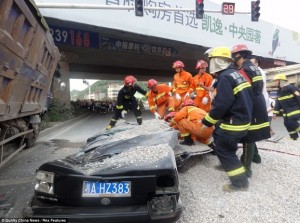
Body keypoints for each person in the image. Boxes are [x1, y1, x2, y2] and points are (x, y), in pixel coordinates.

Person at [201, 46, 253, 192]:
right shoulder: (237, 74)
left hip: (233, 122)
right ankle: (237, 174)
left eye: (211, 60)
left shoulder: (225, 78)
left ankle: (239, 183)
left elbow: (222, 104)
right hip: (242, 120)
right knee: (227, 146)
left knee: (224, 151)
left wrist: (207, 121)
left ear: (217, 61)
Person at [231, 44, 271, 178]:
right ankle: (256, 157)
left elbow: (244, 90)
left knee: (247, 136)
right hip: (258, 102)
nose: (233, 58)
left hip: (252, 104)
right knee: (253, 133)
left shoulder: (244, 69)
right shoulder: (254, 67)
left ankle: (246, 169)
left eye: (234, 55)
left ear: (239, 55)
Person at [251, 57, 275, 136]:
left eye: (252, 63)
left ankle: (262, 133)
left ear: (256, 64)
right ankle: (266, 132)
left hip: (259, 96)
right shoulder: (259, 71)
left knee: (259, 117)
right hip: (261, 96)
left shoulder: (258, 72)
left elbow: (259, 85)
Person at [272, 74, 300, 140]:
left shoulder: (292, 88)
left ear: (281, 81)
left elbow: (299, 98)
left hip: (295, 110)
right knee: (286, 123)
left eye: (276, 81)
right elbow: (278, 103)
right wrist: (275, 112)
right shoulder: (279, 92)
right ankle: (294, 137)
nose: (275, 82)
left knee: (291, 121)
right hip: (287, 112)